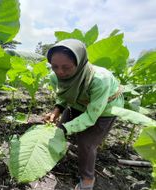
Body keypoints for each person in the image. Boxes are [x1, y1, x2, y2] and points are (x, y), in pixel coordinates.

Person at [43, 39, 124, 190]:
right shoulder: (55, 77)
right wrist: (56, 111)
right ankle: (51, 159)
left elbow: (92, 115)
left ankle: (87, 179)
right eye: (55, 67)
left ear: (79, 63)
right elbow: (62, 95)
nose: (60, 72)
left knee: (86, 143)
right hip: (77, 101)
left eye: (66, 67)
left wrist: (68, 128)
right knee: (58, 131)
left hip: (104, 108)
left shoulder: (100, 79)